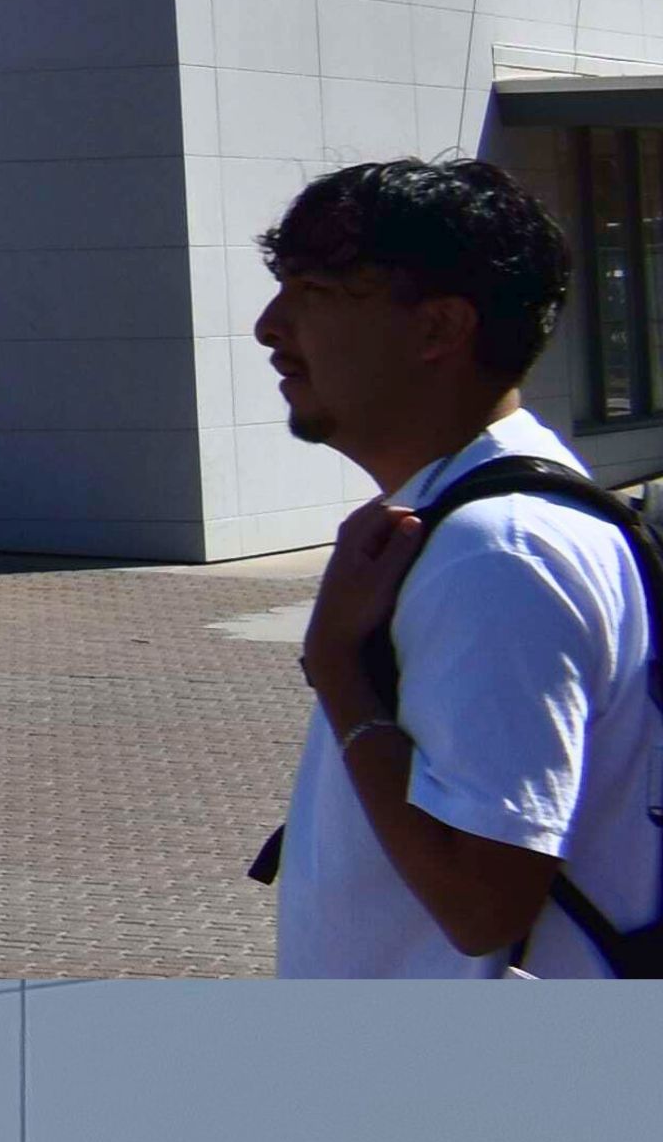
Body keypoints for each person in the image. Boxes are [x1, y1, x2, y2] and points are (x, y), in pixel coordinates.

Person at [260, 156, 658, 977]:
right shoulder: (480, 518)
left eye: (315, 293)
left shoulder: (502, 553)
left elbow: (482, 904)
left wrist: (337, 666)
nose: (270, 326)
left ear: (439, 329)